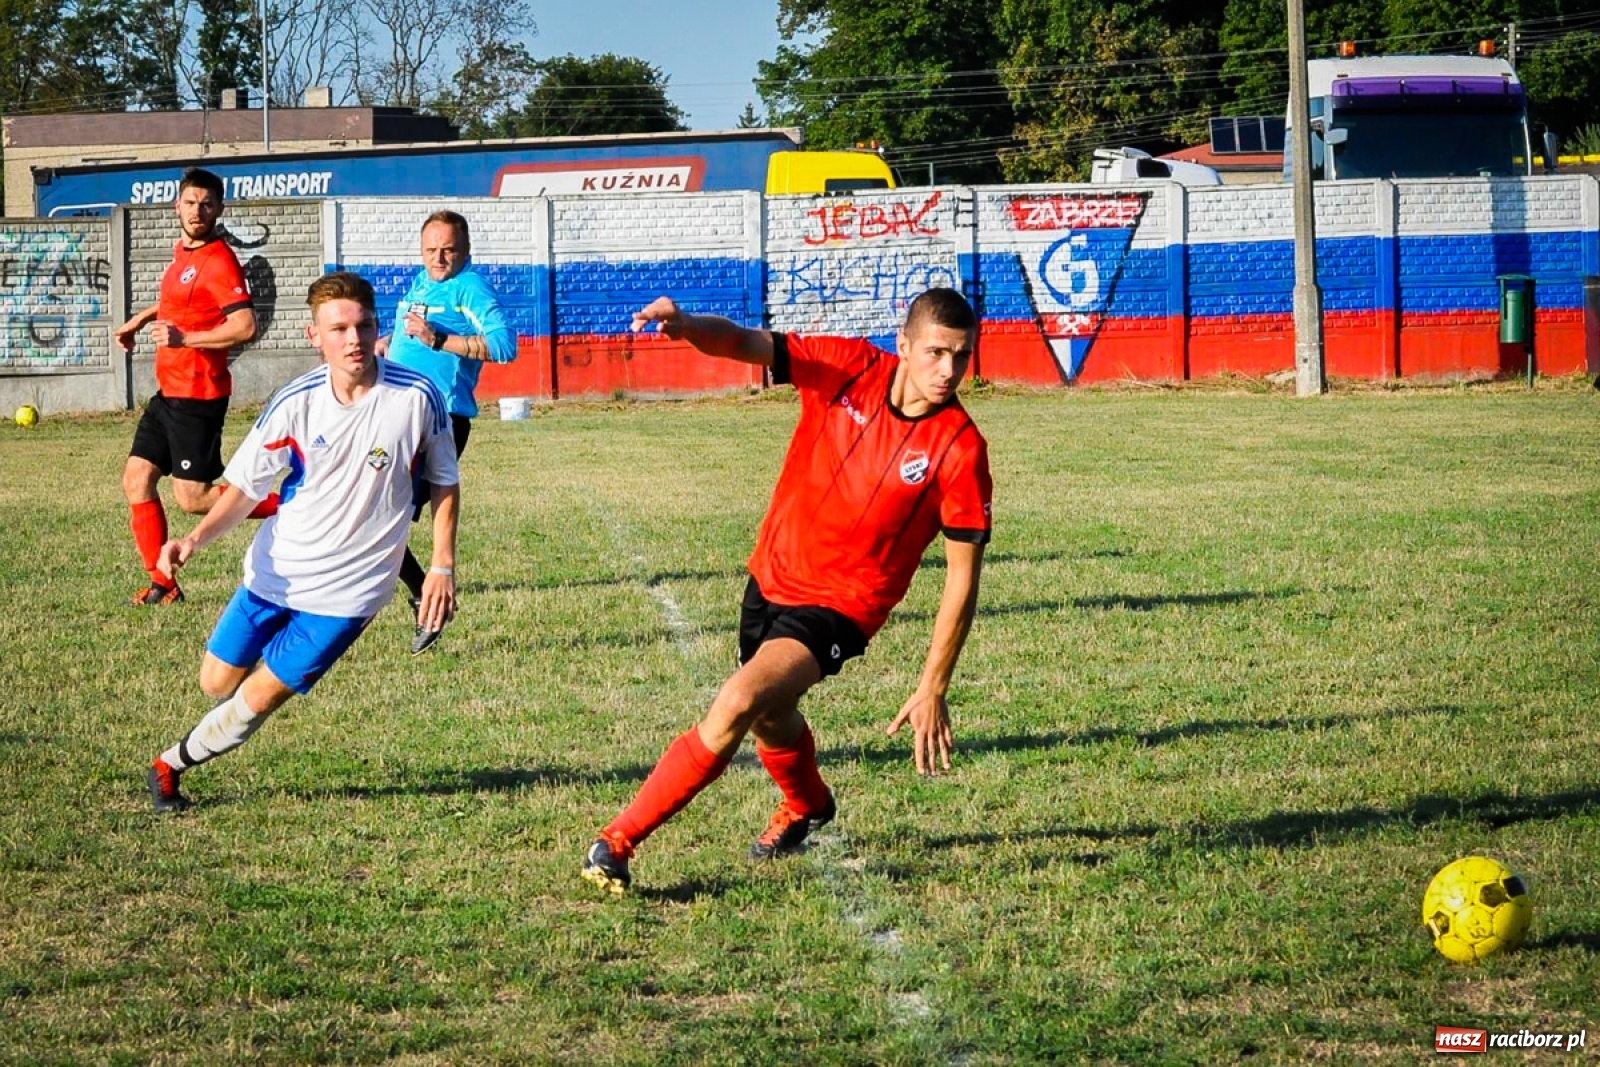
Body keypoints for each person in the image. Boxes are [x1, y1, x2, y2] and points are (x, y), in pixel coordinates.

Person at [581, 287, 993, 894]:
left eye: (962, 356)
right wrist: (688, 325)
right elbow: (748, 343)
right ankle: (809, 805)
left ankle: (615, 842)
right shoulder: (847, 366)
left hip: (841, 608)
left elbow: (963, 576)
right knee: (772, 718)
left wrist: (933, 684)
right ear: (902, 345)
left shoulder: (961, 449)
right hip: (771, 575)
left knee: (739, 701)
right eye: (936, 353)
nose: (949, 371)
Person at [145, 271, 460, 813]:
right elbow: (245, 488)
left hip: (351, 594)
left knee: (259, 698)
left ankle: (169, 765)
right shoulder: (296, 402)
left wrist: (441, 565)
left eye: (363, 325)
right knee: (216, 683)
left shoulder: (417, 397)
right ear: (315, 336)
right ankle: (257, 670)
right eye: (338, 329)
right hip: (276, 571)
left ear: (376, 326)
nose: (353, 339)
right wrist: (194, 538)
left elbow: (446, 481)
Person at [115, 166, 271, 606]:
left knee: (195, 499)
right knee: (136, 479)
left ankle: (295, 504)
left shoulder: (220, 260)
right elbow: (182, 302)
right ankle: (162, 584)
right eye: (190, 202)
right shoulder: (183, 252)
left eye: (206, 204)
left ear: (219, 209)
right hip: (169, 392)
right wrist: (141, 320)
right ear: (177, 206)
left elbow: (244, 325)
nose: (197, 210)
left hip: (198, 395)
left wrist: (186, 339)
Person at [376, 209, 515, 654]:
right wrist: (386, 344)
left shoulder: (470, 288)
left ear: (465, 250)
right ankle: (423, 593)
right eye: (431, 249)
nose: (439, 258)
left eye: (449, 250)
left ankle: (427, 595)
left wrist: (439, 340)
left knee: (379, 518)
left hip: (439, 419)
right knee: (375, 516)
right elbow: (411, 335)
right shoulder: (421, 282)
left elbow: (505, 345)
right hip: (399, 413)